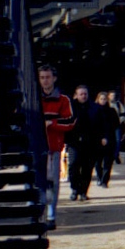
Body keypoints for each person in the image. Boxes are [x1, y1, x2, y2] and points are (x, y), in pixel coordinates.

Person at [37, 64, 75, 225]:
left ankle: (51, 213)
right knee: (38, 181)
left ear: (54, 78)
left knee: (52, 181)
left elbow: (70, 122)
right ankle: (40, 210)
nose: (45, 81)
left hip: (53, 147)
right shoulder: (34, 98)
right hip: (37, 147)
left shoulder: (63, 100)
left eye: (48, 77)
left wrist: (50, 123)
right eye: (42, 77)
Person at [65, 85, 99, 202]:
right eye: (81, 94)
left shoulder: (94, 107)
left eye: (85, 94)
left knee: (87, 168)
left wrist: (102, 137)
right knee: (73, 165)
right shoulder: (70, 107)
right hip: (74, 142)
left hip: (90, 142)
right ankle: (75, 189)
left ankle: (84, 191)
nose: (83, 96)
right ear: (76, 95)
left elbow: (101, 124)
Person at [91, 91, 120, 188]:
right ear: (98, 99)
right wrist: (100, 137)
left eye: (105, 99)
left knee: (108, 162)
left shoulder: (112, 111)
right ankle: (100, 177)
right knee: (98, 163)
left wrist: (108, 137)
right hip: (97, 140)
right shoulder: (93, 110)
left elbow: (116, 125)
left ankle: (105, 181)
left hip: (110, 139)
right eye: (101, 99)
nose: (103, 101)